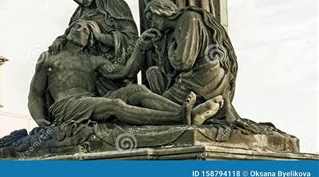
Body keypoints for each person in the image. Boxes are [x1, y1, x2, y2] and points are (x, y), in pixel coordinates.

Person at [29, 20, 224, 128]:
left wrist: (139, 47)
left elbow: (124, 72)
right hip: (66, 106)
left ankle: (184, 111)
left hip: (88, 101)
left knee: (136, 90)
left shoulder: (93, 60)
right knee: (115, 105)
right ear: (68, 32)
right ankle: (178, 117)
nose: (81, 31)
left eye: (87, 31)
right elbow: (35, 95)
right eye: (77, 27)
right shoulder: (48, 58)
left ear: (90, 40)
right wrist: (39, 119)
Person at [51, 0, 139, 95]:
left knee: (117, 104)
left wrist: (101, 37)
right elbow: (70, 34)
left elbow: (132, 40)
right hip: (89, 70)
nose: (80, 0)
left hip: (115, 68)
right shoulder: (78, 14)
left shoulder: (116, 4)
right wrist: (60, 40)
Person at [141, 0, 238, 107]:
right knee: (153, 73)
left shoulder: (189, 18)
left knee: (155, 105)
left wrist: (171, 50)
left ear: (161, 11)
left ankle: (186, 114)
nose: (152, 25)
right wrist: (158, 44)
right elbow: (169, 71)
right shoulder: (172, 32)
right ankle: (196, 112)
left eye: (151, 18)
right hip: (199, 77)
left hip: (205, 78)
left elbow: (183, 62)